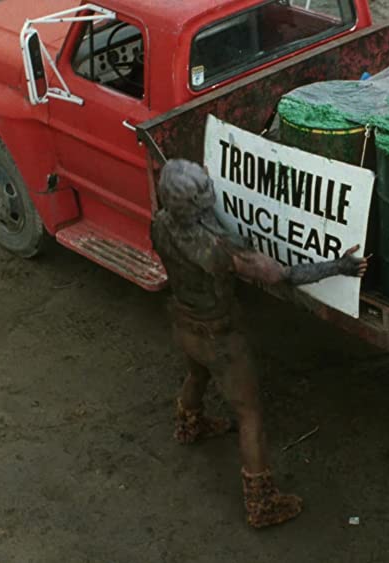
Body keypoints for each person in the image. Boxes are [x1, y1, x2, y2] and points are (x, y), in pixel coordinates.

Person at [150, 159, 367, 528]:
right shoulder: (221, 249)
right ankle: (261, 504)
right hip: (219, 336)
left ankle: (189, 424)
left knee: (197, 375)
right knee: (250, 415)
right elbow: (285, 275)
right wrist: (340, 266)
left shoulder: (159, 224)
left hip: (183, 321)